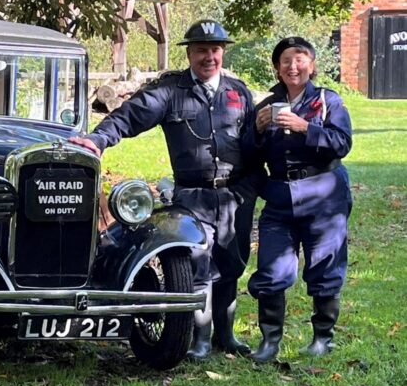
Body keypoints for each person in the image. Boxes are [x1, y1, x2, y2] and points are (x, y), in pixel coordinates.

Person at [70, 19, 265, 360]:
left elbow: (254, 141)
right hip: (194, 196)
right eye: (201, 50)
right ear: (189, 53)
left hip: (236, 195)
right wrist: (97, 140)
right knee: (198, 263)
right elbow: (129, 116)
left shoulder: (239, 92)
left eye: (215, 50)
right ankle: (200, 339)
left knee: (232, 264)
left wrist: (255, 184)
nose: (209, 57)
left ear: (223, 53)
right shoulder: (170, 91)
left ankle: (227, 336)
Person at [245, 36, 353, 363]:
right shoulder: (265, 106)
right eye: (286, 61)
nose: (294, 66)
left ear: (312, 64)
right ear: (277, 69)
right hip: (280, 198)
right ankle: (270, 341)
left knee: (324, 264)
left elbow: (342, 143)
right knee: (271, 266)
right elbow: (248, 155)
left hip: (324, 195)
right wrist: (258, 130)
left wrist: (306, 127)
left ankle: (323, 338)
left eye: (301, 58)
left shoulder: (328, 101)